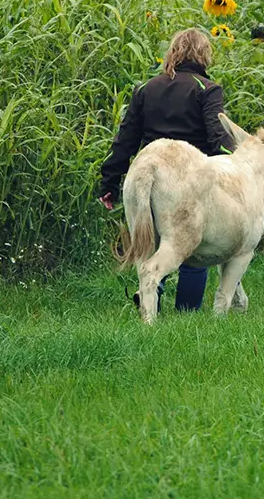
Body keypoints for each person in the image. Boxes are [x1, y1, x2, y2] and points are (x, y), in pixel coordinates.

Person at [99, 27, 235, 311]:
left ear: (173, 53)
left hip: (148, 172)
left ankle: (151, 302)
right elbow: (217, 137)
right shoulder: (207, 90)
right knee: (193, 247)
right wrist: (234, 165)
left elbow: (125, 140)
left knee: (151, 244)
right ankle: (187, 314)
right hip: (189, 175)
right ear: (203, 55)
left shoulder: (146, 89)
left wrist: (109, 182)